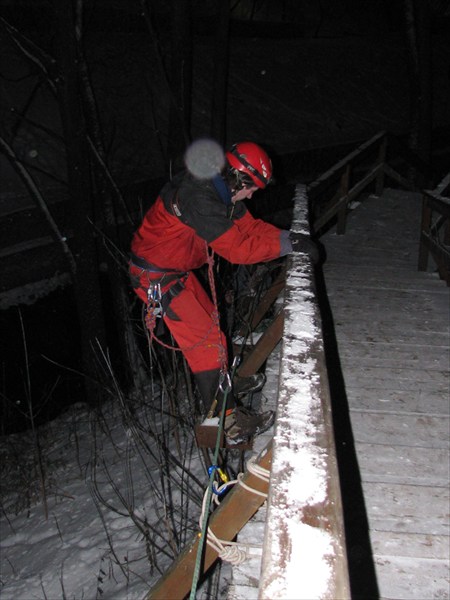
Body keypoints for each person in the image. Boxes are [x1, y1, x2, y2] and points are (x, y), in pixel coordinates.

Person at [129, 141, 319, 445]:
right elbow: (239, 249)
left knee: (214, 332)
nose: (253, 195)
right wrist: (289, 245)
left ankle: (224, 387)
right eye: (252, 188)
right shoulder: (200, 198)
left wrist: (289, 238)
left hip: (175, 270)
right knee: (205, 342)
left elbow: (250, 230)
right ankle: (228, 423)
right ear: (239, 178)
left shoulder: (222, 191)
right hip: (156, 277)